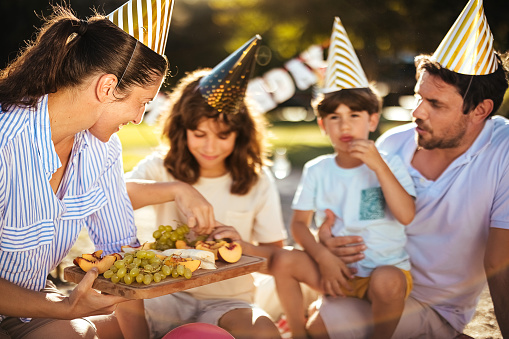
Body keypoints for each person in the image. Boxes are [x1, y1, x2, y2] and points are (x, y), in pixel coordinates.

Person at [0, 2, 215, 338]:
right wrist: (63, 309)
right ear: (106, 88)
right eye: (143, 102)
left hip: (27, 307)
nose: (139, 118)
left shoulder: (103, 150)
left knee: (110, 329)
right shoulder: (5, 143)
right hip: (30, 305)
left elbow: (121, 253)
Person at [305, 0, 509, 338]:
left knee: (324, 321)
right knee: (301, 295)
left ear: (480, 110)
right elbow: (363, 214)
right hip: (374, 281)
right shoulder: (394, 143)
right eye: (418, 96)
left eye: (435, 103)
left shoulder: (502, 153)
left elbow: (500, 266)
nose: (416, 112)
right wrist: (327, 240)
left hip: (433, 306)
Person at [119, 36, 287, 339]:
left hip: (228, 302)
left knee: (264, 332)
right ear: (182, 130)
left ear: (240, 135)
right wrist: (176, 189)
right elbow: (115, 197)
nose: (210, 147)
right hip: (165, 295)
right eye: (199, 133)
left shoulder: (256, 179)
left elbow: (275, 259)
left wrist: (239, 246)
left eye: (222, 136)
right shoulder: (161, 167)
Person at [271, 17, 416, 339]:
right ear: (323, 125)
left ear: (373, 119)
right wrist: (322, 257)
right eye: (334, 117)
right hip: (336, 270)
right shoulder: (318, 169)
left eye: (354, 115)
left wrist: (379, 167)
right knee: (283, 260)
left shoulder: (389, 162)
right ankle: (296, 332)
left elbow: (406, 215)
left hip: (382, 273)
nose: (344, 126)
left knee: (388, 279)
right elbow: (297, 225)